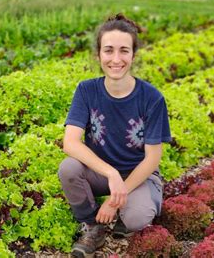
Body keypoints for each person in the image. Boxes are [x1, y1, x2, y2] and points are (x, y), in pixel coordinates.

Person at [57, 14, 171, 257]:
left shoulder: (152, 98)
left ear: (133, 55)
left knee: (137, 218)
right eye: (108, 51)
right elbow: (70, 142)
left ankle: (127, 209)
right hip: (101, 173)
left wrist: (114, 199)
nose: (116, 59)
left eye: (124, 51)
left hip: (137, 175)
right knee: (68, 169)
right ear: (98, 55)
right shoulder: (86, 90)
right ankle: (92, 224)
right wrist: (110, 174)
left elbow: (152, 159)